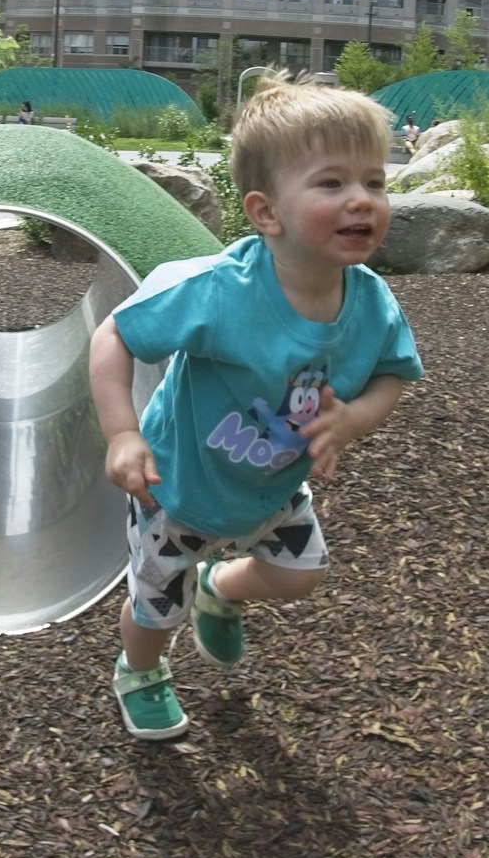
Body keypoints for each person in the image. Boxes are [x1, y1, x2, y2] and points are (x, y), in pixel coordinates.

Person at [88, 72, 424, 740]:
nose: (361, 199)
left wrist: (355, 418)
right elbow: (115, 335)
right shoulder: (218, 291)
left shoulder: (372, 302)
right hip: (176, 489)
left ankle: (223, 588)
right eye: (332, 183)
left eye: (375, 182)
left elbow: (393, 373)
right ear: (266, 212)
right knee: (157, 606)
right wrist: (123, 433)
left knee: (301, 573)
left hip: (271, 488)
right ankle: (141, 670)